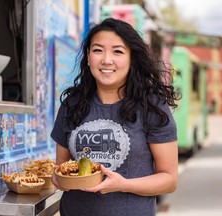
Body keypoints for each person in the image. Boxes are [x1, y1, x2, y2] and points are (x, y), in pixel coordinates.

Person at [51, 17, 180, 216]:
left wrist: (123, 185)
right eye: (97, 50)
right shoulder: (71, 105)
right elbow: (61, 170)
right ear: (88, 56)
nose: (106, 60)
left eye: (117, 51)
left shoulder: (152, 106)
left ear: (132, 58)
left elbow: (169, 179)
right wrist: (59, 178)